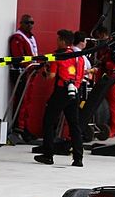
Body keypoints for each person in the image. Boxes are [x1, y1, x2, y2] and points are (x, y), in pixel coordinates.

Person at [35, 30, 86, 167]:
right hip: (74, 91)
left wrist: (43, 72)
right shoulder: (79, 57)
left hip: (61, 91)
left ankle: (48, 155)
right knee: (74, 125)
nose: (56, 42)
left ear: (63, 41)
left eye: (58, 39)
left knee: (49, 121)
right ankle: (78, 158)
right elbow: (81, 75)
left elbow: (51, 76)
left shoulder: (58, 55)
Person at [91, 25, 115, 137]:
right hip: (102, 77)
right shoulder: (103, 47)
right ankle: (97, 126)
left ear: (103, 35)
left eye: (99, 36)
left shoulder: (114, 47)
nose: (98, 39)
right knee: (96, 101)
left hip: (112, 79)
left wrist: (104, 63)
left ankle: (113, 129)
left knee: (113, 104)